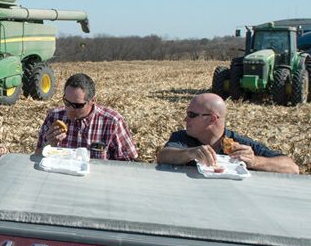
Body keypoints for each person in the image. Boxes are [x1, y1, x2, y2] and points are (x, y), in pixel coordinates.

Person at [157, 93, 299, 174]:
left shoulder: (238, 144)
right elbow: (163, 156)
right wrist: (190, 153)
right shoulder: (183, 138)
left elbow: (293, 168)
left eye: (192, 115)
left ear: (212, 119)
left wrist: (254, 161)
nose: (185, 119)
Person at [35, 73, 138, 161]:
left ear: (92, 101)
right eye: (66, 102)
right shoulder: (54, 117)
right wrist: (48, 145)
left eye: (77, 105)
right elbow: (37, 156)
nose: (70, 109)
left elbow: (128, 162)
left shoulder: (112, 122)